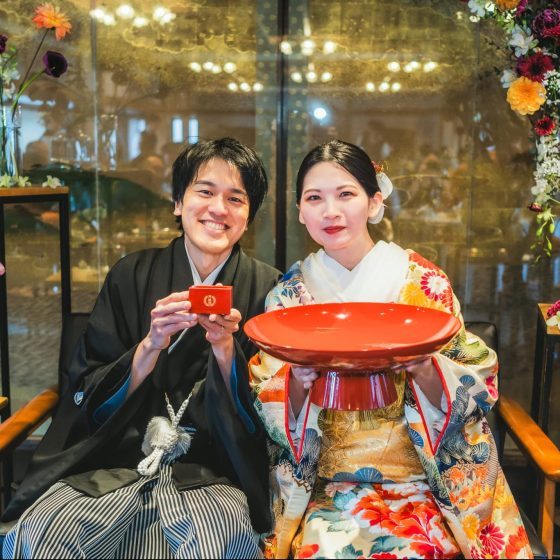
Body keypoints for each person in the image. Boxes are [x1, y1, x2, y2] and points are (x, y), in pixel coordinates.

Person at [249, 140, 532, 559]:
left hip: (425, 477)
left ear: (374, 201)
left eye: (346, 194)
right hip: (324, 483)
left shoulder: (423, 283)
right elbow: (265, 395)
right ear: (299, 211)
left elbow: (478, 376)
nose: (330, 211)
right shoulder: (289, 296)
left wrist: (427, 370)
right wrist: (296, 383)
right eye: (314, 198)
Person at [3, 138, 281, 559]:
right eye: (205, 192)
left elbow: (269, 414)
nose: (218, 209)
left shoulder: (268, 289)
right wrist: (150, 346)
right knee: (46, 534)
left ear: (248, 215)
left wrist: (225, 349)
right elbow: (86, 387)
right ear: (177, 202)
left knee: (219, 541)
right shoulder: (130, 274)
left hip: (213, 473)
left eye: (235, 198)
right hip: (113, 462)